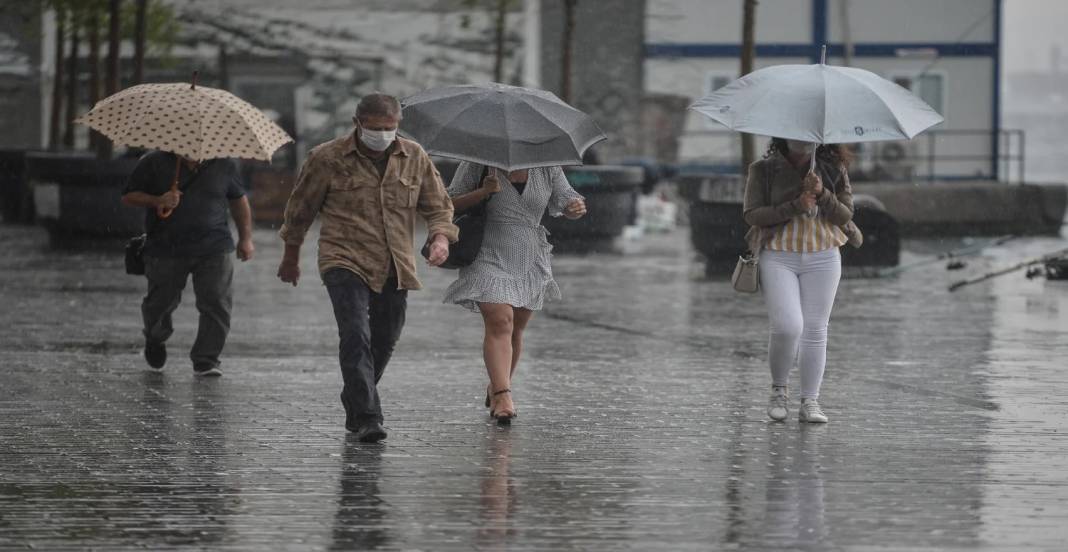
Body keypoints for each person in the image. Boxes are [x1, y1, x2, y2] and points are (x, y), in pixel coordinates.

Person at [276, 93, 458, 443]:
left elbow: (438, 207)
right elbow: (300, 211)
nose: (383, 135)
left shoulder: (414, 156)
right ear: (358, 123)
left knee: (386, 338)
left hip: (395, 261)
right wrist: (290, 257)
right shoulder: (327, 158)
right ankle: (367, 416)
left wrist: (440, 239)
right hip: (343, 258)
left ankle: (356, 393)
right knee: (355, 333)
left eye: (390, 128)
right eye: (375, 129)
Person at [443, 161, 587, 424]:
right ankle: (503, 393)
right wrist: (482, 193)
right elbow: (447, 204)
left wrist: (574, 208)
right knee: (500, 320)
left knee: (516, 328)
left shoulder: (547, 166)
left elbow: (567, 199)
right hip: (488, 251)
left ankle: (498, 385)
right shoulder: (478, 163)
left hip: (529, 254)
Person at [742, 138, 860, 423]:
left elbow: (845, 214)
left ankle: (810, 400)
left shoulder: (833, 168)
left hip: (824, 255)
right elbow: (752, 215)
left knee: (816, 329)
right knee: (787, 326)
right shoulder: (763, 169)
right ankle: (779, 389)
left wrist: (822, 194)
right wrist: (796, 204)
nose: (801, 142)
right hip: (778, 254)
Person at [121, 152, 254, 377]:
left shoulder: (225, 164)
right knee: (160, 303)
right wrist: (158, 200)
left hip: (214, 246)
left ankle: (206, 359)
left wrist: (245, 238)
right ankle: (155, 338)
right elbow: (128, 196)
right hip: (165, 247)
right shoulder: (154, 161)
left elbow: (238, 200)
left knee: (217, 302)